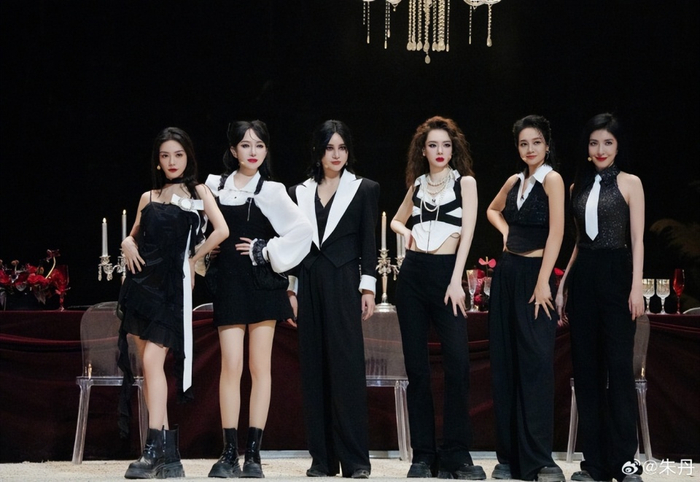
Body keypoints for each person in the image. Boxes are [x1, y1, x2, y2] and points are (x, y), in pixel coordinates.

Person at [118, 127, 229, 479]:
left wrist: (193, 258)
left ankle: (152, 450)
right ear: (157, 160)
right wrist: (127, 244)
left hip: (172, 289)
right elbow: (133, 237)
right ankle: (168, 457)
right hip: (141, 287)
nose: (171, 161)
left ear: (188, 157)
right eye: (165, 155)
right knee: (149, 369)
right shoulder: (148, 196)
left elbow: (222, 230)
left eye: (178, 155)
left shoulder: (199, 192)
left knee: (154, 361)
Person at [204, 120, 313, 478]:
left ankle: (253, 455)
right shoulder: (214, 185)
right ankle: (228, 453)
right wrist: (204, 252)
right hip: (229, 285)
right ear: (233, 150)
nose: (253, 152)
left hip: (262, 286)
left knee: (259, 367)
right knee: (230, 366)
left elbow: (302, 231)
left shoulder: (272, 190)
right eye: (246, 145)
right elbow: (195, 227)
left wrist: (265, 250)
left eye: (260, 146)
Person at [390, 115, 485, 480]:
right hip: (413, 275)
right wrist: (405, 233)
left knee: (457, 364)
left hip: (448, 275)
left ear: (453, 148)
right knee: (417, 369)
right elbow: (397, 220)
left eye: (446, 144)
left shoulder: (465, 183)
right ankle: (423, 455)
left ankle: (456, 454)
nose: (440, 151)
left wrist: (457, 279)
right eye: (432, 145)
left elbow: (468, 232)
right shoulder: (417, 184)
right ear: (423, 150)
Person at [287, 119, 379, 479]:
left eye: (342, 148)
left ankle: (356, 461)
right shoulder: (299, 192)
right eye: (329, 148)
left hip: (344, 282)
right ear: (318, 151)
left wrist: (368, 287)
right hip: (309, 281)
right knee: (313, 369)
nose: (336, 155)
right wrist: (291, 288)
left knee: (347, 369)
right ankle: (322, 460)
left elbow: (369, 242)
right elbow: (293, 244)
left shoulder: (364, 188)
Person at [556, 113, 645, 482]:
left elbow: (637, 239)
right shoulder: (576, 186)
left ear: (618, 146)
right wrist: (563, 285)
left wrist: (636, 286)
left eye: (607, 142)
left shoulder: (631, 183)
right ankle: (593, 465)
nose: (601, 149)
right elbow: (579, 241)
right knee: (587, 372)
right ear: (587, 148)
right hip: (584, 277)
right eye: (594, 143)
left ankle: (625, 464)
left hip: (617, 275)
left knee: (620, 371)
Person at [485, 115, 565, 482]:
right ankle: (508, 459)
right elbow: (492, 210)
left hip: (536, 275)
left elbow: (557, 232)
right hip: (507, 274)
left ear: (547, 145)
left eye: (535, 142)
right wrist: (505, 232)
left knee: (535, 366)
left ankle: (540, 459)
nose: (529, 149)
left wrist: (545, 280)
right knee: (505, 366)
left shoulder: (552, 179)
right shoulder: (515, 181)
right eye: (523, 144)